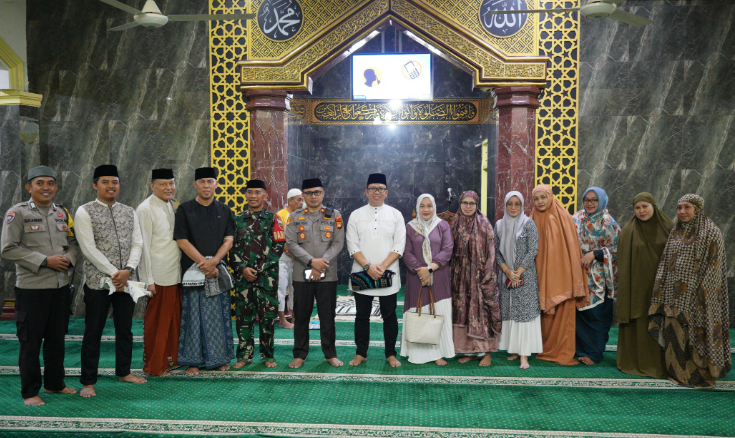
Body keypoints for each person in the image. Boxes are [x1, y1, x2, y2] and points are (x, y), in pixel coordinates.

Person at [1, 166, 79, 406]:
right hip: (32, 290)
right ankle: (30, 392)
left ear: (55, 187)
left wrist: (70, 259)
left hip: (60, 287)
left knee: (56, 340)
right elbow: (8, 249)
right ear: (29, 187)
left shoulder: (62, 212)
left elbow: (73, 242)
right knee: (30, 342)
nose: (46, 187)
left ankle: (55, 384)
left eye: (50, 183)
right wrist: (45, 261)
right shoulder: (18, 213)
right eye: (40, 183)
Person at [75, 165, 147, 397]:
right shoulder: (84, 211)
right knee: (93, 331)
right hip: (99, 282)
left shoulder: (128, 211)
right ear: (95, 185)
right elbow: (88, 248)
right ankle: (88, 381)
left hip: (127, 282)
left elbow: (137, 243)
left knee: (124, 329)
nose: (111, 186)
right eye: (105, 182)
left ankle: (124, 371)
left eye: (114, 182)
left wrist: (128, 269)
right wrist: (114, 272)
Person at [649, 194, 731, 387]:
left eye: (687, 207)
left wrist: (699, 296)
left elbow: (715, 268)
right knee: (674, 334)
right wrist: (661, 289)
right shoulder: (675, 232)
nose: (682, 212)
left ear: (698, 209)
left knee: (695, 336)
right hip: (672, 297)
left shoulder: (711, 232)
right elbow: (666, 262)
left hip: (698, 299)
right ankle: (676, 373)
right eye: (679, 208)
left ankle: (699, 376)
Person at [174, 167, 235, 375]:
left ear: (216, 184)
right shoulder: (184, 209)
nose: (206, 185)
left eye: (210, 181)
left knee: (218, 316)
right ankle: (193, 361)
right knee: (193, 316)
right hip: (193, 271)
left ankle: (219, 359)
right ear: (195, 185)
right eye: (202, 182)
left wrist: (215, 262)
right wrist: (204, 263)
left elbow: (229, 240)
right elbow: (182, 241)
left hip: (217, 272)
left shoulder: (225, 210)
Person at [346, 173, 406, 368]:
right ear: (366, 192)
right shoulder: (356, 215)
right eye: (373, 188)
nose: (377, 192)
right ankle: (361, 353)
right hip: (362, 273)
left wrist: (382, 267)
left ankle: (390, 353)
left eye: (380, 188)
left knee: (389, 316)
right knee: (361, 316)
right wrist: (368, 266)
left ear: (386, 192)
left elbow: (399, 245)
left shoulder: (396, 215)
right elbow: (352, 245)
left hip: (387, 273)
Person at [285, 178, 345, 369]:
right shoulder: (294, 217)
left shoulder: (334, 215)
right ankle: (300, 354)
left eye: (317, 192)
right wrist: (312, 262)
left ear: (323, 194)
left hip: (327, 274)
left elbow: (338, 243)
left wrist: (320, 265)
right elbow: (291, 244)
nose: (313, 196)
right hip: (302, 273)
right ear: (302, 195)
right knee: (301, 316)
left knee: (327, 316)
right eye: (309, 193)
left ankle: (330, 354)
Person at [616, 192, 674, 378]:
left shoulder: (669, 228)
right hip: (637, 288)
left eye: (645, 206)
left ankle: (666, 363)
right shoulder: (628, 231)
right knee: (640, 319)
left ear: (653, 206)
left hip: (663, 288)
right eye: (637, 208)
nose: (641, 211)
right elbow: (623, 265)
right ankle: (637, 362)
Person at [529, 185, 589, 366]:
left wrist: (572, 276)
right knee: (545, 317)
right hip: (539, 273)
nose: (540, 201)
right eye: (536, 198)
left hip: (562, 276)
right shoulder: (531, 218)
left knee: (563, 314)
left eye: (543, 197)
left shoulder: (563, 217)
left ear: (550, 197)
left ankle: (562, 351)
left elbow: (572, 248)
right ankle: (544, 349)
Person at [230, 179, 285, 368]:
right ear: (245, 195)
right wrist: (243, 269)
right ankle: (244, 356)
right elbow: (230, 248)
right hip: (243, 278)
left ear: (265, 196)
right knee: (244, 319)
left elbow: (278, 246)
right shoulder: (236, 219)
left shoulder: (273, 219)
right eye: (250, 192)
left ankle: (267, 355)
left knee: (267, 318)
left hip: (266, 279)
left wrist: (259, 269)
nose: (253, 196)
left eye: (258, 192)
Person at [136, 168, 182, 377]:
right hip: (157, 276)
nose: (168, 187)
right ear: (152, 186)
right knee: (156, 323)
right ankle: (154, 366)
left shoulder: (172, 205)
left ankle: (170, 360)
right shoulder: (145, 209)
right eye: (163, 184)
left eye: (171, 183)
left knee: (173, 321)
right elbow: (142, 246)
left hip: (175, 273)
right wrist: (148, 280)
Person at [401, 194, 455, 365]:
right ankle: (416, 352)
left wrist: (430, 269)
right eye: (422, 206)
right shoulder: (410, 227)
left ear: (434, 208)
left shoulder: (443, 225)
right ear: (417, 208)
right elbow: (407, 252)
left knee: (438, 312)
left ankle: (438, 352)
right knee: (418, 313)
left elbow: (447, 250)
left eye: (429, 206)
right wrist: (421, 270)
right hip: (416, 277)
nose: (426, 209)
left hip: (439, 277)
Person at [450, 191, 501, 367]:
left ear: (477, 204)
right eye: (465, 202)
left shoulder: (484, 224)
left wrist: (487, 277)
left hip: (479, 279)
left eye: (472, 203)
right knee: (463, 314)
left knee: (482, 313)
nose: (468, 206)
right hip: (459, 278)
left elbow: (491, 252)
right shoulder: (455, 222)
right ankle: (470, 351)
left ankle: (487, 353)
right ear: (460, 203)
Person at [572, 187, 620, 365]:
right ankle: (581, 349)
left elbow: (617, 251)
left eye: (594, 200)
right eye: (586, 200)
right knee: (579, 313)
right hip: (578, 274)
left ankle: (594, 353)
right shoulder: (576, 218)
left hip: (599, 277)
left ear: (601, 201)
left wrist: (596, 254)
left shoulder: (608, 223)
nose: (590, 203)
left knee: (596, 315)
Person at [495, 191, 542, 369]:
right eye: (509, 204)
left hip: (526, 277)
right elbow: (496, 252)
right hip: (506, 276)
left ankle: (524, 355)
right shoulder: (499, 225)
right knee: (510, 313)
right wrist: (507, 271)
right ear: (505, 205)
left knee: (523, 315)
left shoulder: (528, 223)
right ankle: (514, 349)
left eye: (517, 204)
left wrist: (518, 272)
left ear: (522, 205)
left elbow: (533, 250)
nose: (513, 207)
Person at [275, 188, 303, 329]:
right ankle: (282, 320)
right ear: (290, 200)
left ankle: (295, 318)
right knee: (281, 289)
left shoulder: (301, 215)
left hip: (296, 259)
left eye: (302, 200)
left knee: (295, 289)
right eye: (299, 199)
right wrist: (294, 255)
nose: (301, 202)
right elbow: (282, 242)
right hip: (282, 259)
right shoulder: (280, 215)